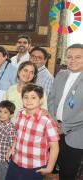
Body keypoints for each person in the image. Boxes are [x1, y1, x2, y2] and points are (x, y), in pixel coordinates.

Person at [6, 83, 59, 180]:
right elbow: (17, 135)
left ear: (41, 100)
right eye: (26, 97)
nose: (29, 100)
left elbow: (54, 147)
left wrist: (50, 167)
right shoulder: (20, 113)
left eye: (33, 97)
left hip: (34, 166)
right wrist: (12, 148)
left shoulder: (47, 121)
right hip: (16, 160)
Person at [48, 43, 83, 179]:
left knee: (68, 173)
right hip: (55, 128)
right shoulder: (61, 74)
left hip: (75, 134)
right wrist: (53, 121)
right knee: (56, 165)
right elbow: (51, 99)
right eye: (69, 57)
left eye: (78, 57)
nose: (72, 60)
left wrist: (65, 127)